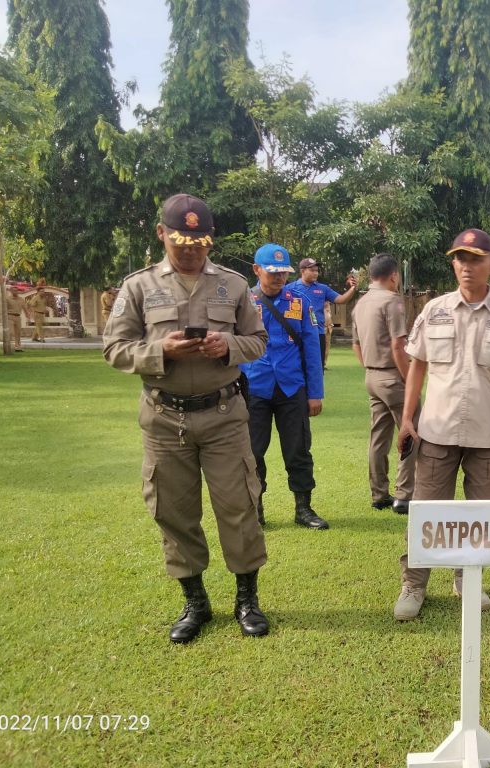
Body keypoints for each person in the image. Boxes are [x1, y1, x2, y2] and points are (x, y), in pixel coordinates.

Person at [103, 193, 270, 644]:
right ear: (161, 234)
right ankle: (196, 602)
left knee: (239, 507)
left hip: (223, 414)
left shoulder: (233, 285)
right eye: (180, 240)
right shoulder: (138, 287)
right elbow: (114, 349)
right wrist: (161, 351)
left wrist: (228, 347)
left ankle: (246, 600)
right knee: (174, 511)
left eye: (200, 242)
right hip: (164, 419)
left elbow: (258, 340)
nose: (191, 250)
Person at [393, 228, 490, 621]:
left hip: (487, 434)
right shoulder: (434, 309)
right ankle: (414, 584)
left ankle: (468, 579)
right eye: (460, 259)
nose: (467, 267)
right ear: (453, 264)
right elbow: (417, 365)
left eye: (475, 259)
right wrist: (406, 419)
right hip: (436, 430)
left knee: (479, 517)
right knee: (427, 513)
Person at [241, 243, 328, 530]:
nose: (279, 277)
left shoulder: (299, 301)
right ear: (257, 270)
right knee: (252, 451)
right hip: (254, 387)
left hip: (292, 388)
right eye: (272, 272)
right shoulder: (243, 303)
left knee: (299, 449)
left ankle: (304, 509)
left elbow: (313, 352)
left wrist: (315, 393)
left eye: (283, 272)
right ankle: (256, 508)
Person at [351, 253, 416, 515]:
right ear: (394, 276)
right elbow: (398, 345)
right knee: (411, 430)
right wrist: (409, 377)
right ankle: (404, 494)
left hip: (372, 376)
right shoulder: (392, 301)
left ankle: (378, 494)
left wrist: (369, 367)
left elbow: (356, 344)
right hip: (393, 376)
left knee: (379, 436)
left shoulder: (360, 304)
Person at [292, 259, 358, 370]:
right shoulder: (290, 289)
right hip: (297, 334)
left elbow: (341, 299)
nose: (315, 273)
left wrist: (352, 289)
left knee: (317, 369)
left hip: (317, 335)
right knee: (297, 369)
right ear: (302, 271)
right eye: (312, 270)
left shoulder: (322, 289)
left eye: (317, 271)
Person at [6, 286, 26, 351]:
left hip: (18, 317)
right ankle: (8, 346)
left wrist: (28, 315)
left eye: (16, 290)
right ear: (11, 291)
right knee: (11, 332)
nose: (15, 292)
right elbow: (4, 309)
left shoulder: (21, 299)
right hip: (10, 316)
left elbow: (24, 308)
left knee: (18, 332)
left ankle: (17, 347)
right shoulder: (7, 299)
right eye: (14, 290)